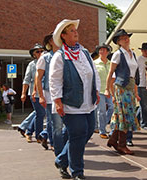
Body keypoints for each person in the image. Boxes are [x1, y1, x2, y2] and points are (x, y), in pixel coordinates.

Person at [50, 19, 100, 180]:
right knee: (78, 135)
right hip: (71, 103)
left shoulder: (84, 52)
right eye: (71, 30)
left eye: (75, 30)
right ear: (63, 36)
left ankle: (61, 159)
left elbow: (94, 72)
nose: (76, 32)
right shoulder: (60, 56)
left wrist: (96, 90)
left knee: (88, 130)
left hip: (88, 102)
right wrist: (57, 101)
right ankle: (77, 171)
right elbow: (55, 80)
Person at [105, 29, 140, 155]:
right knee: (124, 116)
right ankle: (121, 145)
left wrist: (135, 91)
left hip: (130, 86)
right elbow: (110, 73)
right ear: (119, 42)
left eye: (127, 37)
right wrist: (107, 89)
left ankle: (114, 139)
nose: (126, 39)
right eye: (123, 38)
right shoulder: (118, 54)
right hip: (121, 87)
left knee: (124, 115)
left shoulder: (132, 54)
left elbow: (133, 75)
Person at [34, 32, 60, 150]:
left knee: (56, 120)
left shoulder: (64, 56)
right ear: (50, 41)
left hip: (62, 92)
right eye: (54, 38)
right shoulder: (45, 58)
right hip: (49, 93)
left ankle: (45, 135)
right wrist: (41, 96)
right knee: (53, 119)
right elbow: (38, 78)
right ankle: (54, 143)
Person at [21, 43, 45, 143]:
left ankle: (29, 131)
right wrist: (23, 93)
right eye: (37, 51)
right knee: (40, 114)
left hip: (45, 93)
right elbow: (27, 80)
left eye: (41, 51)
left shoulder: (47, 62)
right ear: (34, 54)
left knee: (39, 114)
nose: (40, 53)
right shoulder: (32, 65)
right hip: (35, 94)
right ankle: (39, 135)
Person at [94, 43, 114, 139]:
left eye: (104, 50)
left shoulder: (111, 63)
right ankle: (102, 130)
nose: (102, 51)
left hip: (110, 89)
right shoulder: (95, 63)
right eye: (100, 50)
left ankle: (102, 124)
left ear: (107, 52)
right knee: (101, 110)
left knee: (112, 108)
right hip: (99, 90)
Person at [136, 42, 147, 129]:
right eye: (145, 50)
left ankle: (135, 120)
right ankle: (144, 124)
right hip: (141, 84)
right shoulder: (138, 59)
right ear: (142, 51)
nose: (146, 52)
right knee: (144, 105)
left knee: (145, 105)